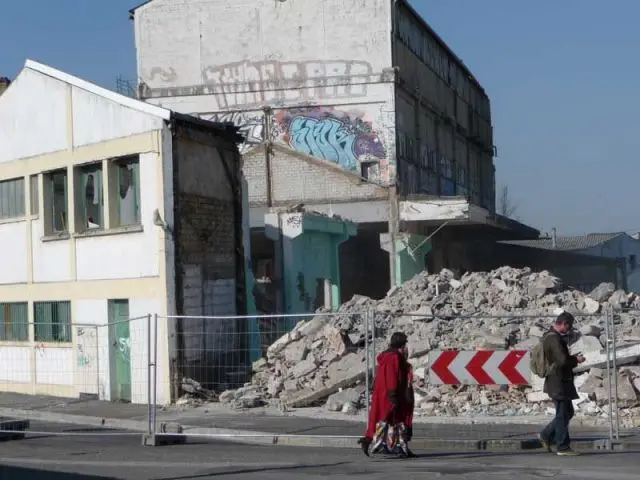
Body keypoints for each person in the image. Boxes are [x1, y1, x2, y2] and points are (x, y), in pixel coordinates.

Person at [358, 332, 415, 458]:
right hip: (391, 394)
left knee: (385, 419)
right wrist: (393, 394)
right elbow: (392, 376)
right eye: (404, 344)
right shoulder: (394, 357)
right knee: (396, 420)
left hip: (384, 393)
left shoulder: (387, 356)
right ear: (401, 344)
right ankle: (397, 447)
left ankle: (377, 442)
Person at [538, 310, 586, 456]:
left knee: (567, 412)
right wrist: (576, 360)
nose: (569, 330)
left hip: (559, 381)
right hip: (558, 381)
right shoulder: (554, 339)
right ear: (563, 324)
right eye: (569, 327)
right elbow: (562, 361)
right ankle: (563, 447)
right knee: (563, 413)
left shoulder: (552, 337)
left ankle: (546, 435)